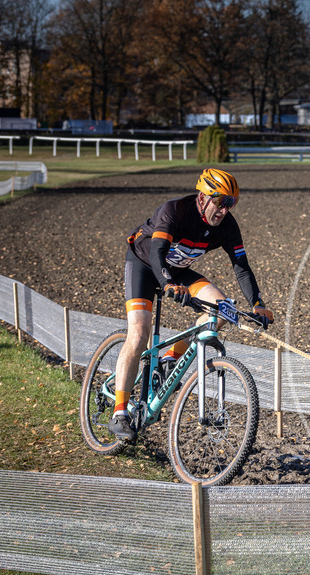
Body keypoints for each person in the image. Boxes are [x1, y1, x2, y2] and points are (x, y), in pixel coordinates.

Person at [108, 168, 274, 440]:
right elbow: (157, 253)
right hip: (144, 265)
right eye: (220, 201)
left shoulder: (228, 226)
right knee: (138, 334)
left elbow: (241, 267)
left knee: (223, 310)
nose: (224, 209)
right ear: (202, 197)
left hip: (178, 271)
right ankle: (119, 413)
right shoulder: (174, 211)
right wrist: (167, 283)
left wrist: (257, 303)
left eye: (231, 203)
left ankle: (170, 357)